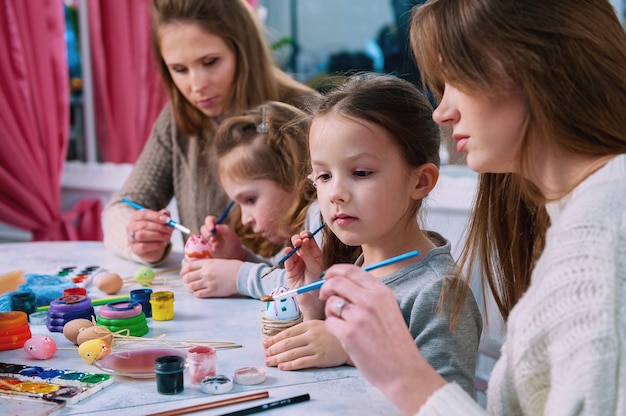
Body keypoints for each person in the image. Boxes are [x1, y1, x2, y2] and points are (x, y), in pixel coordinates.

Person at [318, 1, 626, 415]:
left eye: (455, 80)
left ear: (532, 68)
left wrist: (404, 375)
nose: (442, 112)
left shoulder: (603, 240)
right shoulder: (579, 215)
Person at [262, 74, 482, 397]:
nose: (335, 193)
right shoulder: (359, 270)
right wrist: (311, 308)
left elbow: (449, 401)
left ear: (420, 181)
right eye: (323, 175)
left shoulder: (437, 294)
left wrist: (351, 350)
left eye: (361, 173)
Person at [101, 0, 318, 265]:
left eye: (210, 62)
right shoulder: (176, 119)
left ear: (244, 51)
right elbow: (120, 209)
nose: (197, 85)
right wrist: (138, 238)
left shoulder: (309, 115)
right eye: (179, 69)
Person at [180, 101, 323, 298]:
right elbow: (280, 271)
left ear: (292, 175)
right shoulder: (300, 226)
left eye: (249, 199)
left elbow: (311, 285)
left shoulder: (320, 215)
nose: (245, 219)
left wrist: (237, 277)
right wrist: (239, 256)